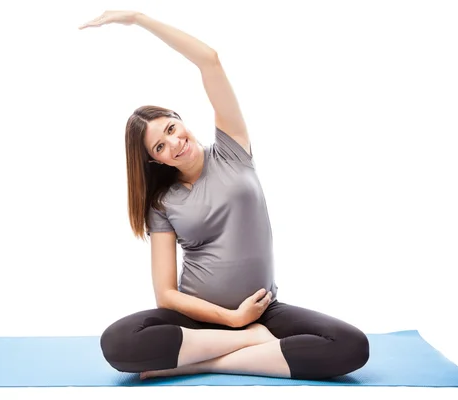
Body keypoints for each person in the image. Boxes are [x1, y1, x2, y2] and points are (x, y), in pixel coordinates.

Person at [79, 10, 369, 381]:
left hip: (263, 311)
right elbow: (166, 296)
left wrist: (138, 18)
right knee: (118, 342)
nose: (175, 142)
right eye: (161, 146)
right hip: (200, 320)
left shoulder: (232, 149)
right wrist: (232, 320)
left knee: (350, 345)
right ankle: (251, 343)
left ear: (179, 118)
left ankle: (209, 361)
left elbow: (209, 59)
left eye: (171, 127)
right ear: (155, 160)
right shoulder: (162, 203)